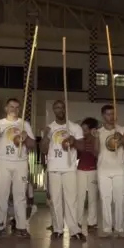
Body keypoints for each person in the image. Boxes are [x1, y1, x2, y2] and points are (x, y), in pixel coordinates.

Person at [0, 98, 36, 239]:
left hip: (20, 162)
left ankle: (21, 227)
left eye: (17, 107)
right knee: (1, 195)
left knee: (20, 196)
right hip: (3, 161)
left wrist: (26, 137)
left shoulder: (24, 124)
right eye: (11, 106)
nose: (14, 109)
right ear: (6, 108)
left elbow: (32, 144)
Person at [40, 100, 85, 240]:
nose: (60, 110)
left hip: (69, 167)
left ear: (66, 109)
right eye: (57, 108)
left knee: (71, 199)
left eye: (62, 107)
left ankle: (74, 230)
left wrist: (74, 141)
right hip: (53, 167)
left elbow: (82, 147)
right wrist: (46, 135)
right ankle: (57, 228)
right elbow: (42, 149)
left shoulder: (75, 127)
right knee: (55, 200)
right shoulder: (49, 128)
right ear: (54, 110)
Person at [95, 104, 124, 238]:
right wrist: (95, 137)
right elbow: (95, 152)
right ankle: (107, 229)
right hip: (103, 169)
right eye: (108, 114)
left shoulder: (122, 130)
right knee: (105, 199)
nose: (111, 117)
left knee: (120, 199)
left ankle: (119, 228)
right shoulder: (99, 132)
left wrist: (122, 138)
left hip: (119, 169)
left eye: (113, 114)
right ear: (103, 116)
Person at [76, 117, 99, 232]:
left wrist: (95, 139)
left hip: (93, 170)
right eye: (82, 130)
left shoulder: (97, 140)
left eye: (85, 130)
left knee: (92, 198)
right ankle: (78, 222)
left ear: (92, 130)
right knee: (80, 197)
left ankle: (92, 223)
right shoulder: (80, 140)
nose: (83, 132)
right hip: (80, 170)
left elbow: (97, 154)